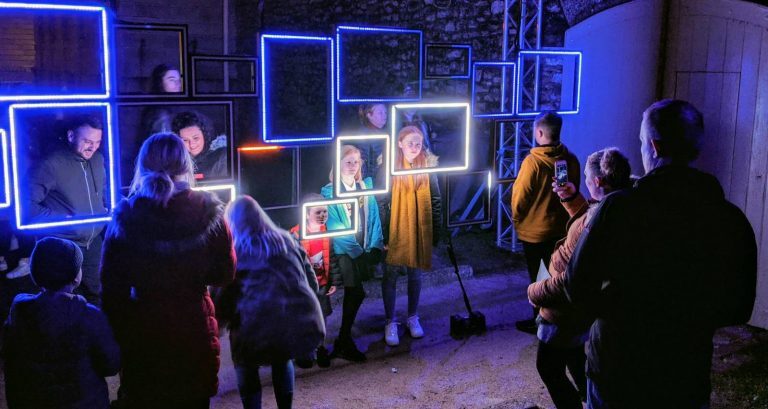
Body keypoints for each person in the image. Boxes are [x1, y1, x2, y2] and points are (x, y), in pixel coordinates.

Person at [564, 100, 757, 409]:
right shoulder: (729, 218)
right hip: (685, 371)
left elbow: (576, 285)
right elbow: (739, 308)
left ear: (652, 146)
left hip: (618, 369)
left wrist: (618, 305)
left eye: (642, 142)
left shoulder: (619, 209)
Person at [100, 133, 236, 409]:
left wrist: (120, 335)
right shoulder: (208, 212)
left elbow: (111, 287)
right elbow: (224, 273)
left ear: (143, 164)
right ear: (185, 163)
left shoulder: (126, 215)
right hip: (193, 327)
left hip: (145, 330)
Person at [527, 148, 633, 409]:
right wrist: (571, 197)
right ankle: (589, 400)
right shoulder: (614, 209)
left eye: (586, 177)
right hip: (577, 312)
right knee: (575, 358)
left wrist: (534, 292)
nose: (585, 180)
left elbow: (571, 278)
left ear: (597, 181)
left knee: (548, 366)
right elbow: (590, 216)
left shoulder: (595, 224)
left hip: (562, 311)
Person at [218, 195, 325, 409]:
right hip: (291, 324)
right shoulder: (288, 240)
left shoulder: (233, 252)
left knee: (244, 364)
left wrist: (222, 323)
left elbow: (223, 298)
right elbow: (312, 284)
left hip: (252, 330)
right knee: (282, 358)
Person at [2, 237, 120, 409]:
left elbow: (10, 359)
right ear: (76, 277)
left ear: (35, 274)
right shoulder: (90, 317)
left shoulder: (18, 313)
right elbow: (111, 365)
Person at [26, 114, 109, 306]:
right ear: (71, 136)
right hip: (63, 246)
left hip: (93, 242)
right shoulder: (50, 164)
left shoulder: (98, 159)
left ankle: (93, 331)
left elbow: (103, 191)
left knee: (95, 294)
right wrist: (64, 220)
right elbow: (26, 206)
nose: (93, 147)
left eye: (97, 142)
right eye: (87, 141)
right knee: (62, 300)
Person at [511, 111, 580, 333]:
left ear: (539, 132)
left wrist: (517, 220)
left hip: (535, 234)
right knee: (556, 276)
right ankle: (556, 317)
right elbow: (572, 193)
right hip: (560, 231)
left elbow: (520, 198)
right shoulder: (570, 159)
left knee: (539, 280)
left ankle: (541, 323)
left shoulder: (533, 163)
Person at [321, 145, 384, 362]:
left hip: (363, 247)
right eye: (348, 161)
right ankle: (342, 341)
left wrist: (375, 245)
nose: (352, 166)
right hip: (346, 252)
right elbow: (337, 227)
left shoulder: (364, 188)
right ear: (337, 164)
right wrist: (358, 253)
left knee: (356, 294)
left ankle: (343, 339)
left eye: (356, 162)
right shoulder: (330, 191)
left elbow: (374, 218)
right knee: (355, 292)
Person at [380, 125, 441, 346]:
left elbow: (435, 199)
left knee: (415, 275)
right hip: (395, 230)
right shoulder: (389, 167)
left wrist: (435, 232)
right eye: (410, 143)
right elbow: (383, 202)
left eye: (418, 143)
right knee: (391, 275)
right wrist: (385, 235)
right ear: (400, 144)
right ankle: (390, 321)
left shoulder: (428, 166)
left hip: (419, 229)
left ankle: (413, 317)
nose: (415, 148)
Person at [290, 194, 342, 368]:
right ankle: (304, 351)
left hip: (322, 284)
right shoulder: (296, 234)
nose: (322, 215)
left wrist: (334, 280)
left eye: (325, 212)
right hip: (304, 287)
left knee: (321, 317)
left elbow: (332, 257)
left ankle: (320, 348)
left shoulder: (327, 232)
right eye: (318, 212)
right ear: (306, 214)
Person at [171, 111, 229, 180]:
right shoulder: (174, 161)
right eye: (185, 140)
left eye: (196, 138)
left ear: (204, 135)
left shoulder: (221, 156)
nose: (192, 144)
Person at [357, 103, 388, 182]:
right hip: (375, 181)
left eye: (385, 113)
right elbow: (364, 163)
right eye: (380, 113)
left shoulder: (385, 132)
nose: (384, 116)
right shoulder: (365, 134)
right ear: (369, 115)